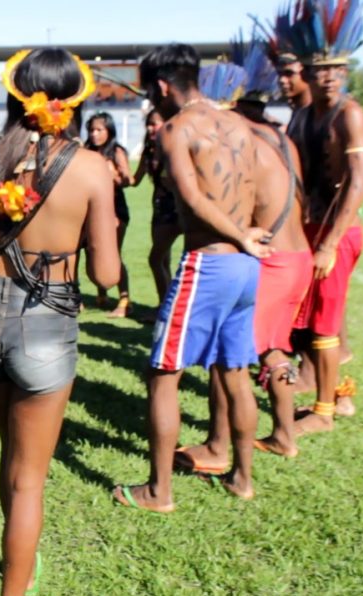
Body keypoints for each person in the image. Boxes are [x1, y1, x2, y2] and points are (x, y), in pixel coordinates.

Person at [0, 48, 119, 596]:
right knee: (29, 478)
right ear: (73, 101)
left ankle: (16, 562)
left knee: (13, 453)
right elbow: (107, 274)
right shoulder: (91, 167)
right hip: (47, 316)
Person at [113, 44, 271, 512]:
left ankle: (158, 491)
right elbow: (260, 187)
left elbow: (194, 199)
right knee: (234, 371)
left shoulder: (176, 129)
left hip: (209, 264)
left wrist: (238, 234)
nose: (150, 101)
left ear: (163, 86)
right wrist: (250, 234)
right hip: (245, 267)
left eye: (149, 92)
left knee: (162, 374)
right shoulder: (240, 124)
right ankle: (242, 478)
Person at [174, 60, 312, 470]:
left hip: (268, 257)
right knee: (271, 347)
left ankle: (218, 448)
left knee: (229, 359)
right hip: (297, 256)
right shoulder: (278, 136)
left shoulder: (241, 138)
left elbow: (229, 208)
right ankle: (283, 434)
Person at [279, 0, 363, 434]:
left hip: (337, 232)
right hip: (307, 228)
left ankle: (325, 412)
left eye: (337, 69)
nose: (329, 77)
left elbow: (357, 182)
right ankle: (334, 395)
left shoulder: (350, 114)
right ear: (308, 74)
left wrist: (330, 244)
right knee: (307, 320)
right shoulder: (300, 118)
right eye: (321, 70)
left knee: (326, 324)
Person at [131, 109, 181, 319]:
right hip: (160, 208)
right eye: (149, 124)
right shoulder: (149, 151)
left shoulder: (176, 147)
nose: (151, 128)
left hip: (177, 208)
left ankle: (166, 307)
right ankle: (167, 305)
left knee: (156, 259)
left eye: (155, 123)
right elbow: (134, 180)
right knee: (163, 260)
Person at [85, 112, 132, 316]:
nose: (94, 134)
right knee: (91, 252)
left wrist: (112, 175)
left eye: (99, 130)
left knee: (113, 253)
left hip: (115, 209)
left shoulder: (116, 151)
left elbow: (128, 180)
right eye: (91, 130)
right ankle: (101, 295)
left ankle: (124, 300)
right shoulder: (86, 151)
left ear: (109, 131)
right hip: (92, 209)